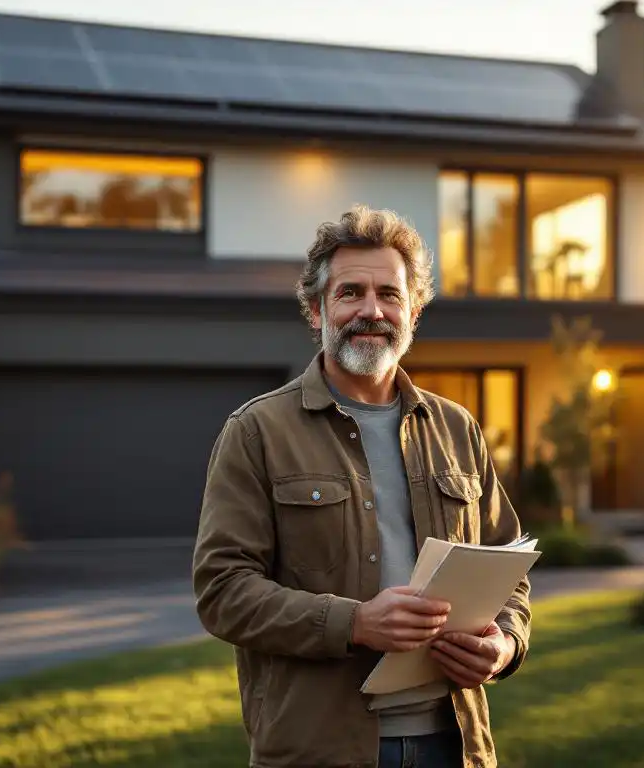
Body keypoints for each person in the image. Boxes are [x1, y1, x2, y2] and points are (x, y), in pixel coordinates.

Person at [192, 203, 531, 768]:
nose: (371, 310)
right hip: (318, 751)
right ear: (317, 309)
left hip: (455, 746)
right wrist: (354, 623)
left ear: (413, 311)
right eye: (350, 293)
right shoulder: (256, 432)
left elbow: (508, 567)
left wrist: (505, 645)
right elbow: (223, 591)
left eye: (389, 294)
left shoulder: (456, 429)